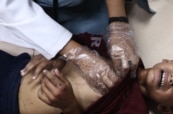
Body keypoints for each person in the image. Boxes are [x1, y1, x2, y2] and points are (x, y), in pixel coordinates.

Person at [0, 33, 173, 114]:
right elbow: (75, 40)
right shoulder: (124, 50)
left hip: (10, 103)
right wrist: (57, 59)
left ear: (165, 108)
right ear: (169, 61)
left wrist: (70, 105)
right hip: (16, 65)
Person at [0, 0, 155, 93]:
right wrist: (69, 50)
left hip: (88, 8)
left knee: (100, 39)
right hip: (26, 11)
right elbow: (8, 6)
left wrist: (118, 20)